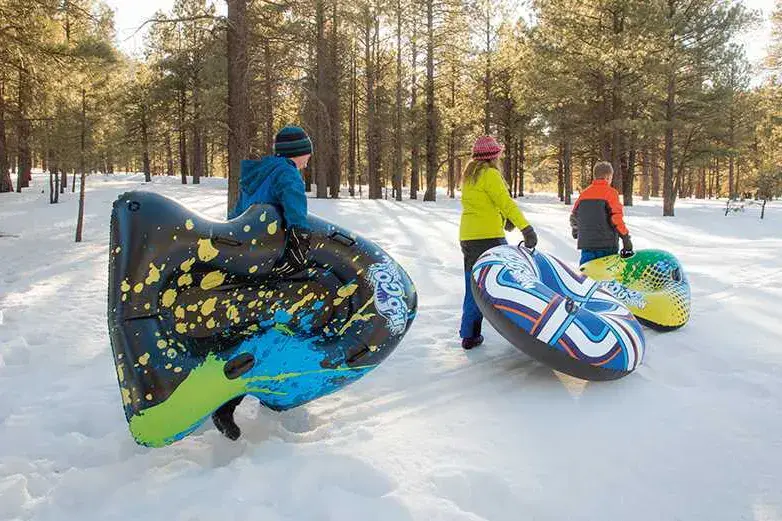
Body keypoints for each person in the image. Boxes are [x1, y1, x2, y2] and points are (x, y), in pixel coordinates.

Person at [212, 125, 314, 441]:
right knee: (271, 331)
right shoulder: (286, 172)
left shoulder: (257, 175)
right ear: (299, 153)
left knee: (252, 330)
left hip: (245, 263)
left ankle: (254, 397)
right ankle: (230, 403)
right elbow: (294, 202)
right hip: (269, 266)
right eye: (307, 153)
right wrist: (300, 235)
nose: (308, 160)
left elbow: (235, 216)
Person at [459, 135, 537, 350]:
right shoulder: (491, 174)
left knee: (473, 283)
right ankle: (519, 329)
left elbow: (484, 205)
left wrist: (504, 220)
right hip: (489, 238)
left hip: (468, 237)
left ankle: (469, 334)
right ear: (493, 157)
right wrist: (526, 228)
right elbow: (506, 203)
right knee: (503, 283)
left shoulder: (469, 176)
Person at [570, 161, 633, 266]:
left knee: (587, 276)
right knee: (606, 278)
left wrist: (576, 231)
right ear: (608, 177)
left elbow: (574, 216)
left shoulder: (584, 194)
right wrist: (626, 238)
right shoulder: (611, 193)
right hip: (606, 246)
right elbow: (616, 218)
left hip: (587, 246)